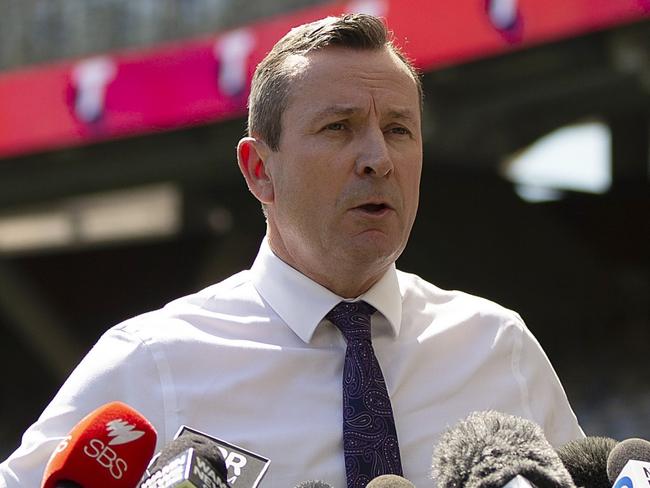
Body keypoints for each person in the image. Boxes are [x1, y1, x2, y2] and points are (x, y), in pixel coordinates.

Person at [0, 13, 583, 488]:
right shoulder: (153, 362)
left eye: (400, 129)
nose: (378, 157)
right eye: (339, 128)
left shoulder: (497, 346)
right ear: (259, 170)